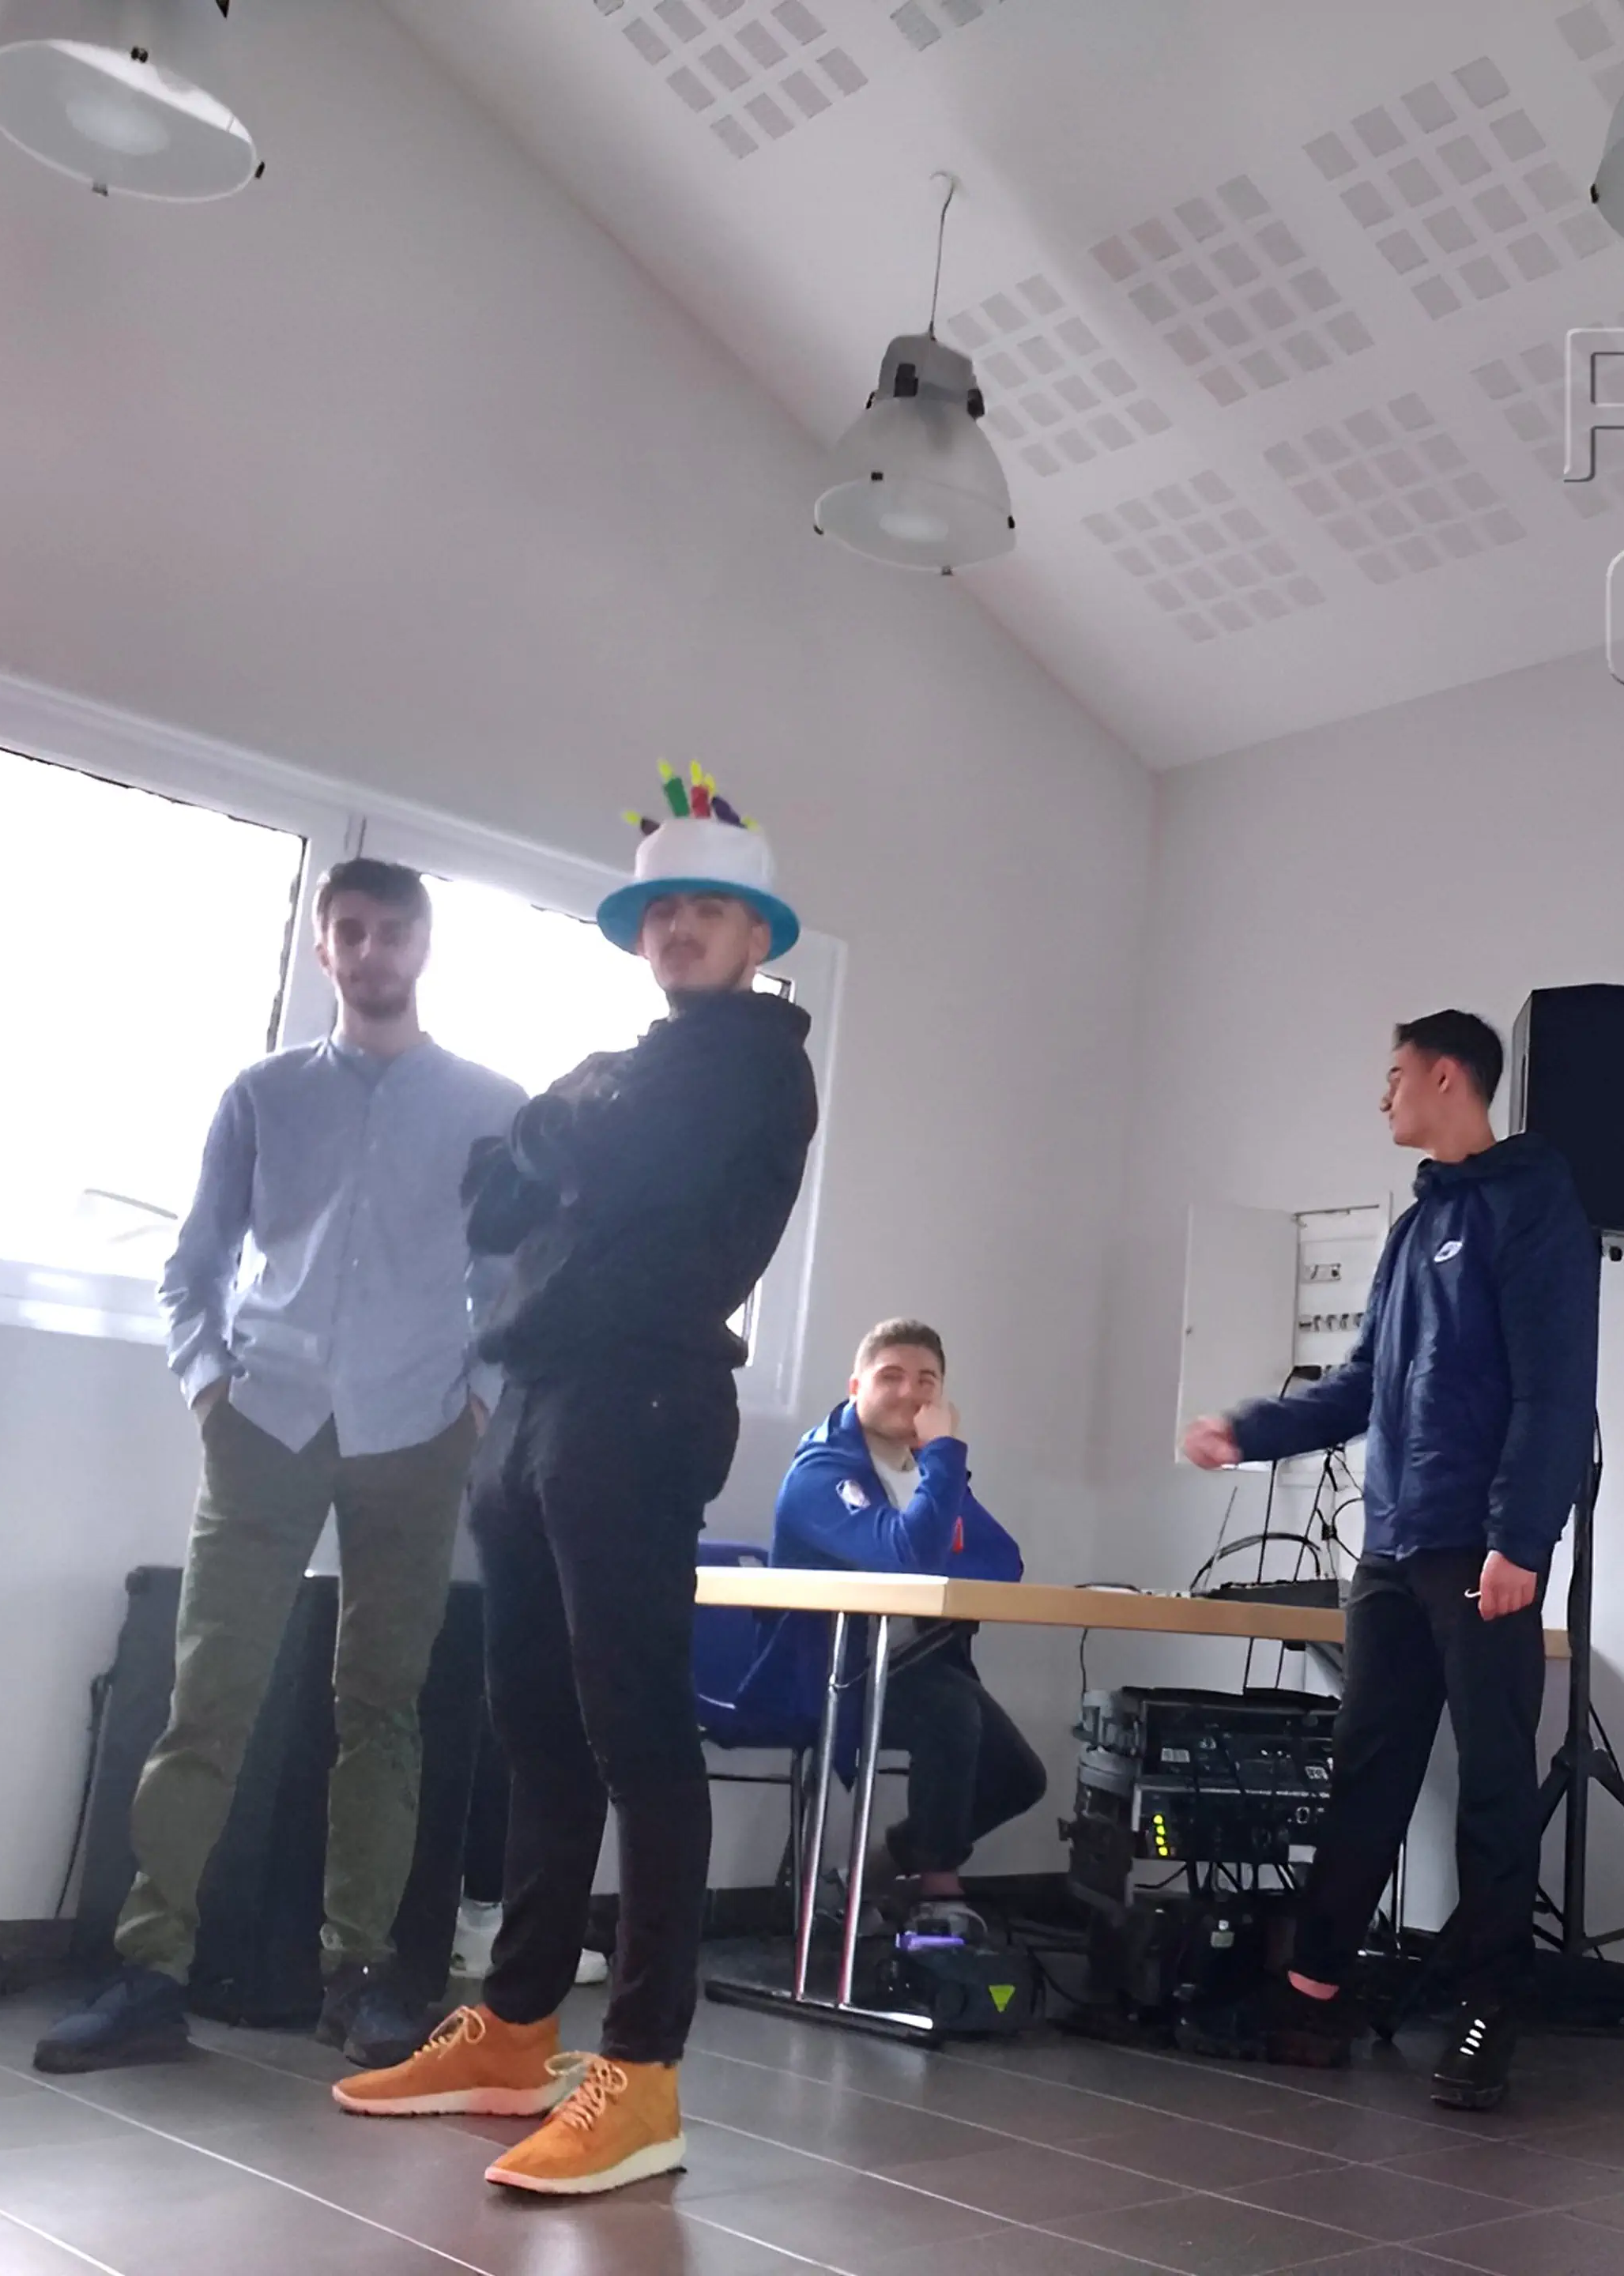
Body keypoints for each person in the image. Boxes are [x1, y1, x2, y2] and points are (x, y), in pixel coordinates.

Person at [332, 769, 818, 2199]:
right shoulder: (640, 1061)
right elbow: (492, 1200)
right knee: (534, 1728)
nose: (678, 930)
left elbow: (607, 1150)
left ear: (756, 936)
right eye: (660, 912)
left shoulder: (753, 1061)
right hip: (535, 1398)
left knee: (637, 1734)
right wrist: (561, 1130)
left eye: (707, 911)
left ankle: (645, 2074)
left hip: (640, 1400)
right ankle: (516, 2029)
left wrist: (557, 1124)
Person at [36, 859, 526, 2076]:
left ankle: (358, 1979)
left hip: (417, 1432)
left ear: (424, 945)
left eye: (392, 931)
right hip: (266, 1420)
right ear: (322, 950)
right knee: (207, 1695)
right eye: (349, 931)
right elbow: (194, 1262)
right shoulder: (263, 1094)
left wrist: (477, 1406)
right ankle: (150, 1972)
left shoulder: (493, 1106)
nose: (371, 951)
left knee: (385, 1708)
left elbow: (511, 1279)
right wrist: (208, 1384)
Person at [1183, 1010, 1598, 2112]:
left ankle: (1488, 2010)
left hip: (1479, 1550)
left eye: (1396, 1075)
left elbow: (1556, 1389)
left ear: (1448, 1076)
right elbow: (1362, 1385)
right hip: (1391, 1546)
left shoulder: (1534, 1204)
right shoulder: (1416, 1230)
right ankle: (1313, 1992)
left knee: (1495, 1782)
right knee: (1367, 1769)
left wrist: (1521, 1539)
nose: (1383, 1096)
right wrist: (1248, 1429)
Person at [771, 1321, 1046, 1909]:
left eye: (927, 1381)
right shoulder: (822, 1474)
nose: (910, 1393)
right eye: (890, 1376)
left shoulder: (924, 1473)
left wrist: (934, 1497)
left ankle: (877, 1871)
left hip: (911, 1665)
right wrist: (944, 1454)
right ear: (855, 1387)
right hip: (829, 1674)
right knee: (950, 1714)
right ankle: (938, 1893)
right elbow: (912, 1555)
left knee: (1020, 1779)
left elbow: (1003, 1560)